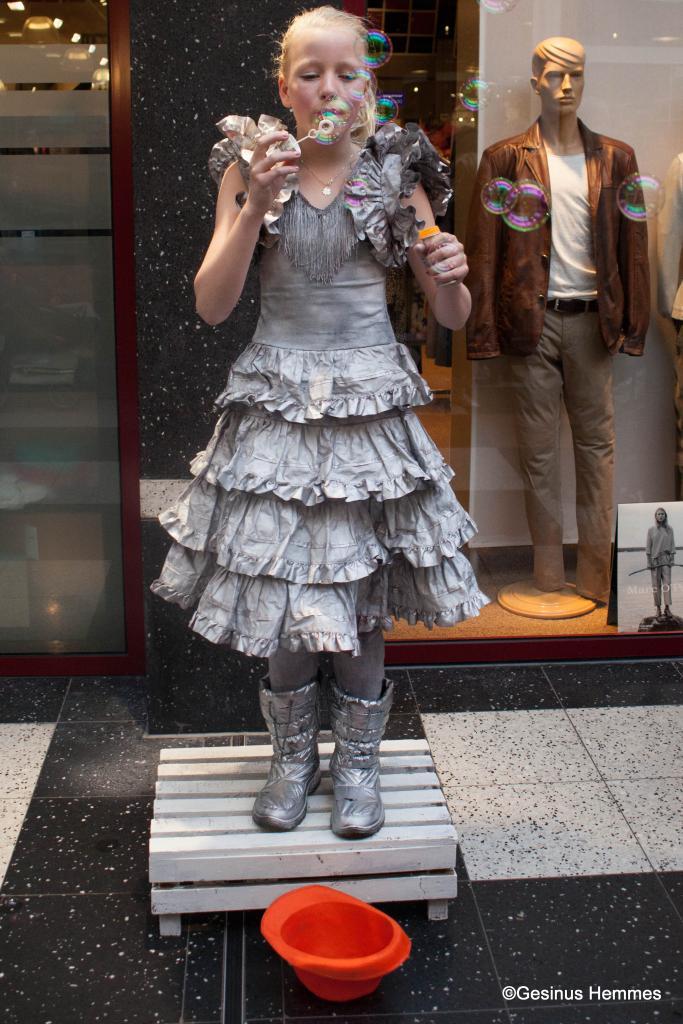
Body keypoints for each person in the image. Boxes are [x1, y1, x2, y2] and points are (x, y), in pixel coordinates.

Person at [151, 7, 488, 840]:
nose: (329, 87)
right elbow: (211, 303)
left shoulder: (393, 171)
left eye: (346, 73)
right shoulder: (250, 167)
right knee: (287, 592)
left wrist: (452, 274)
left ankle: (359, 763)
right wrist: (252, 206)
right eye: (310, 73)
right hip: (278, 402)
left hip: (369, 408)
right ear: (284, 86)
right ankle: (293, 760)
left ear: (367, 84)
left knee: (361, 600)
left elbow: (452, 312)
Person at [465, 37, 650, 606]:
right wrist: (483, 334)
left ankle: (596, 579)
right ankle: (546, 576)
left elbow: (635, 249)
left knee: (597, 451)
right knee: (538, 455)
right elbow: (484, 252)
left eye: (576, 75)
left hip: (595, 322)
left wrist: (635, 327)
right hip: (532, 323)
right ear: (535, 82)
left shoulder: (616, 158)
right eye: (554, 75)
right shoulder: (503, 158)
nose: (566, 86)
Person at [646, 508, 676, 619]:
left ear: (665, 516)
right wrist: (649, 562)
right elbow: (648, 547)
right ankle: (658, 609)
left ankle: (667, 608)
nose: (661, 516)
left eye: (662, 514)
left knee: (667, 584)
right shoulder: (651, 530)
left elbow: (672, 545)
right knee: (656, 585)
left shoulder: (670, 529)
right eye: (658, 514)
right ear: (656, 516)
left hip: (666, 560)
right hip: (655, 561)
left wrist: (672, 559)